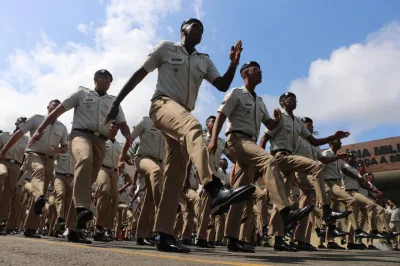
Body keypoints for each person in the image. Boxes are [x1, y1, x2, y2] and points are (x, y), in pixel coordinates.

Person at [103, 18, 254, 253]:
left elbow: (222, 85)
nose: (200, 31)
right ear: (183, 29)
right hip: (162, 105)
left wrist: (233, 65)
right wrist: (117, 103)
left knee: (174, 174)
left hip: (182, 114)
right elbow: (138, 75)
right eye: (195, 27)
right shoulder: (166, 48)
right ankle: (213, 188)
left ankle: (164, 234)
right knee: (194, 128)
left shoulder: (204, 60)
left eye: (203, 29)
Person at [208, 61, 316, 252]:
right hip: (237, 139)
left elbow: (270, 126)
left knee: (239, 192)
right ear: (247, 72)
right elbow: (221, 116)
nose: (261, 72)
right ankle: (284, 210)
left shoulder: (260, 101)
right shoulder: (236, 93)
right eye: (258, 70)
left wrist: (275, 121)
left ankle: (232, 239)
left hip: (249, 142)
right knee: (269, 160)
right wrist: (213, 140)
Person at [27, 69, 131, 243]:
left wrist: (128, 136)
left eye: (109, 79)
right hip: (80, 135)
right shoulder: (81, 93)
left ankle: (73, 229)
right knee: (84, 159)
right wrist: (40, 128)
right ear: (95, 79)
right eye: (104, 78)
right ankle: (83, 206)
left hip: (100, 142)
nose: (107, 81)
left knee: (85, 180)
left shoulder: (114, 102)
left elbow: (122, 123)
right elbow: (58, 111)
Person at [0, 100, 69, 238]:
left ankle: (30, 228)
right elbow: (18, 134)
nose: (55, 108)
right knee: (39, 171)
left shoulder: (62, 128)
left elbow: (65, 147)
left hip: (50, 159)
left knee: (41, 192)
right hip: (33, 154)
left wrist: (59, 149)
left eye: (58, 107)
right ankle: (39, 199)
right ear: (48, 107)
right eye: (53, 106)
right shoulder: (36, 119)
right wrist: (3, 151)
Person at [0, 117, 29, 235]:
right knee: (2, 174)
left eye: (25, 124)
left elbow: (25, 157)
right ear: (16, 123)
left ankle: (1, 223)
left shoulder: (27, 140)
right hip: (3, 162)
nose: (22, 125)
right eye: (20, 122)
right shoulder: (4, 135)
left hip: (16, 166)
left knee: (7, 196)